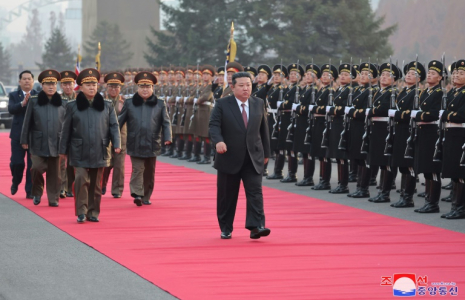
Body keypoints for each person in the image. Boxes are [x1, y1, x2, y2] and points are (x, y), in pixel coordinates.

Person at [209, 71, 271, 239]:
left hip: (253, 157)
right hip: (229, 156)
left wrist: (266, 152)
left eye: (248, 85)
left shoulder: (258, 103)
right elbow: (214, 125)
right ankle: (226, 227)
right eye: (241, 85)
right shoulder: (222, 103)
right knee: (227, 196)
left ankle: (256, 226)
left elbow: (263, 129)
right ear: (233, 86)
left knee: (255, 192)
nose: (245, 89)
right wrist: (218, 141)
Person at [59, 68, 121, 223]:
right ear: (80, 87)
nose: (92, 87)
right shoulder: (72, 106)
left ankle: (93, 212)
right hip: (78, 150)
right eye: (88, 85)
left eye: (94, 84)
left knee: (96, 184)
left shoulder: (106, 105)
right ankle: (81, 211)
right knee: (80, 179)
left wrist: (116, 144)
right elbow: (66, 129)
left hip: (100, 148)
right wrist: (62, 150)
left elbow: (114, 126)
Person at [118, 71, 172, 206]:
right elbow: (120, 121)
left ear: (152, 88)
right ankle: (137, 193)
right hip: (134, 141)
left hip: (152, 142)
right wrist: (113, 136)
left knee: (149, 171)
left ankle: (146, 196)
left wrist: (168, 136)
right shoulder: (129, 103)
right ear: (138, 88)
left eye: (148, 87)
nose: (145, 90)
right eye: (142, 87)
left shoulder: (160, 103)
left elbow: (166, 122)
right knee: (137, 169)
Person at [20, 70, 65, 206]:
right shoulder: (34, 101)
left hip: (57, 142)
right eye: (48, 84)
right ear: (42, 85)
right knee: (36, 169)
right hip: (38, 143)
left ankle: (53, 199)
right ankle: (37, 192)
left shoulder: (63, 102)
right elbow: (27, 121)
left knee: (55, 174)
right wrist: (24, 140)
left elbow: (68, 124)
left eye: (53, 84)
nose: (51, 87)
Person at [8, 70, 38, 199]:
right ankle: (16, 181)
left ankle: (29, 191)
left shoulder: (38, 95)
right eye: (24, 79)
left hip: (33, 136)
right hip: (17, 135)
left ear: (32, 81)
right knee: (17, 163)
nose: (26, 81)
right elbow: (11, 109)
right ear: (20, 82)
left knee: (32, 165)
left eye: (29, 79)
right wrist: (23, 103)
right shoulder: (14, 95)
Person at [101, 72, 127, 198]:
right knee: (106, 164)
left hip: (121, 137)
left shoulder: (125, 103)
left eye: (116, 87)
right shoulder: (101, 102)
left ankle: (117, 190)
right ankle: (102, 184)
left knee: (119, 166)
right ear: (107, 87)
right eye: (111, 86)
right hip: (105, 137)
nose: (113, 89)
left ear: (120, 88)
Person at [59, 70, 77, 198]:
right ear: (61, 86)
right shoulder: (57, 99)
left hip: (76, 135)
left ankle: (71, 188)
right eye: (65, 84)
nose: (68, 87)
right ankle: (62, 188)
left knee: (72, 164)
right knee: (61, 164)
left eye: (70, 84)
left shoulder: (80, 98)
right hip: (61, 134)